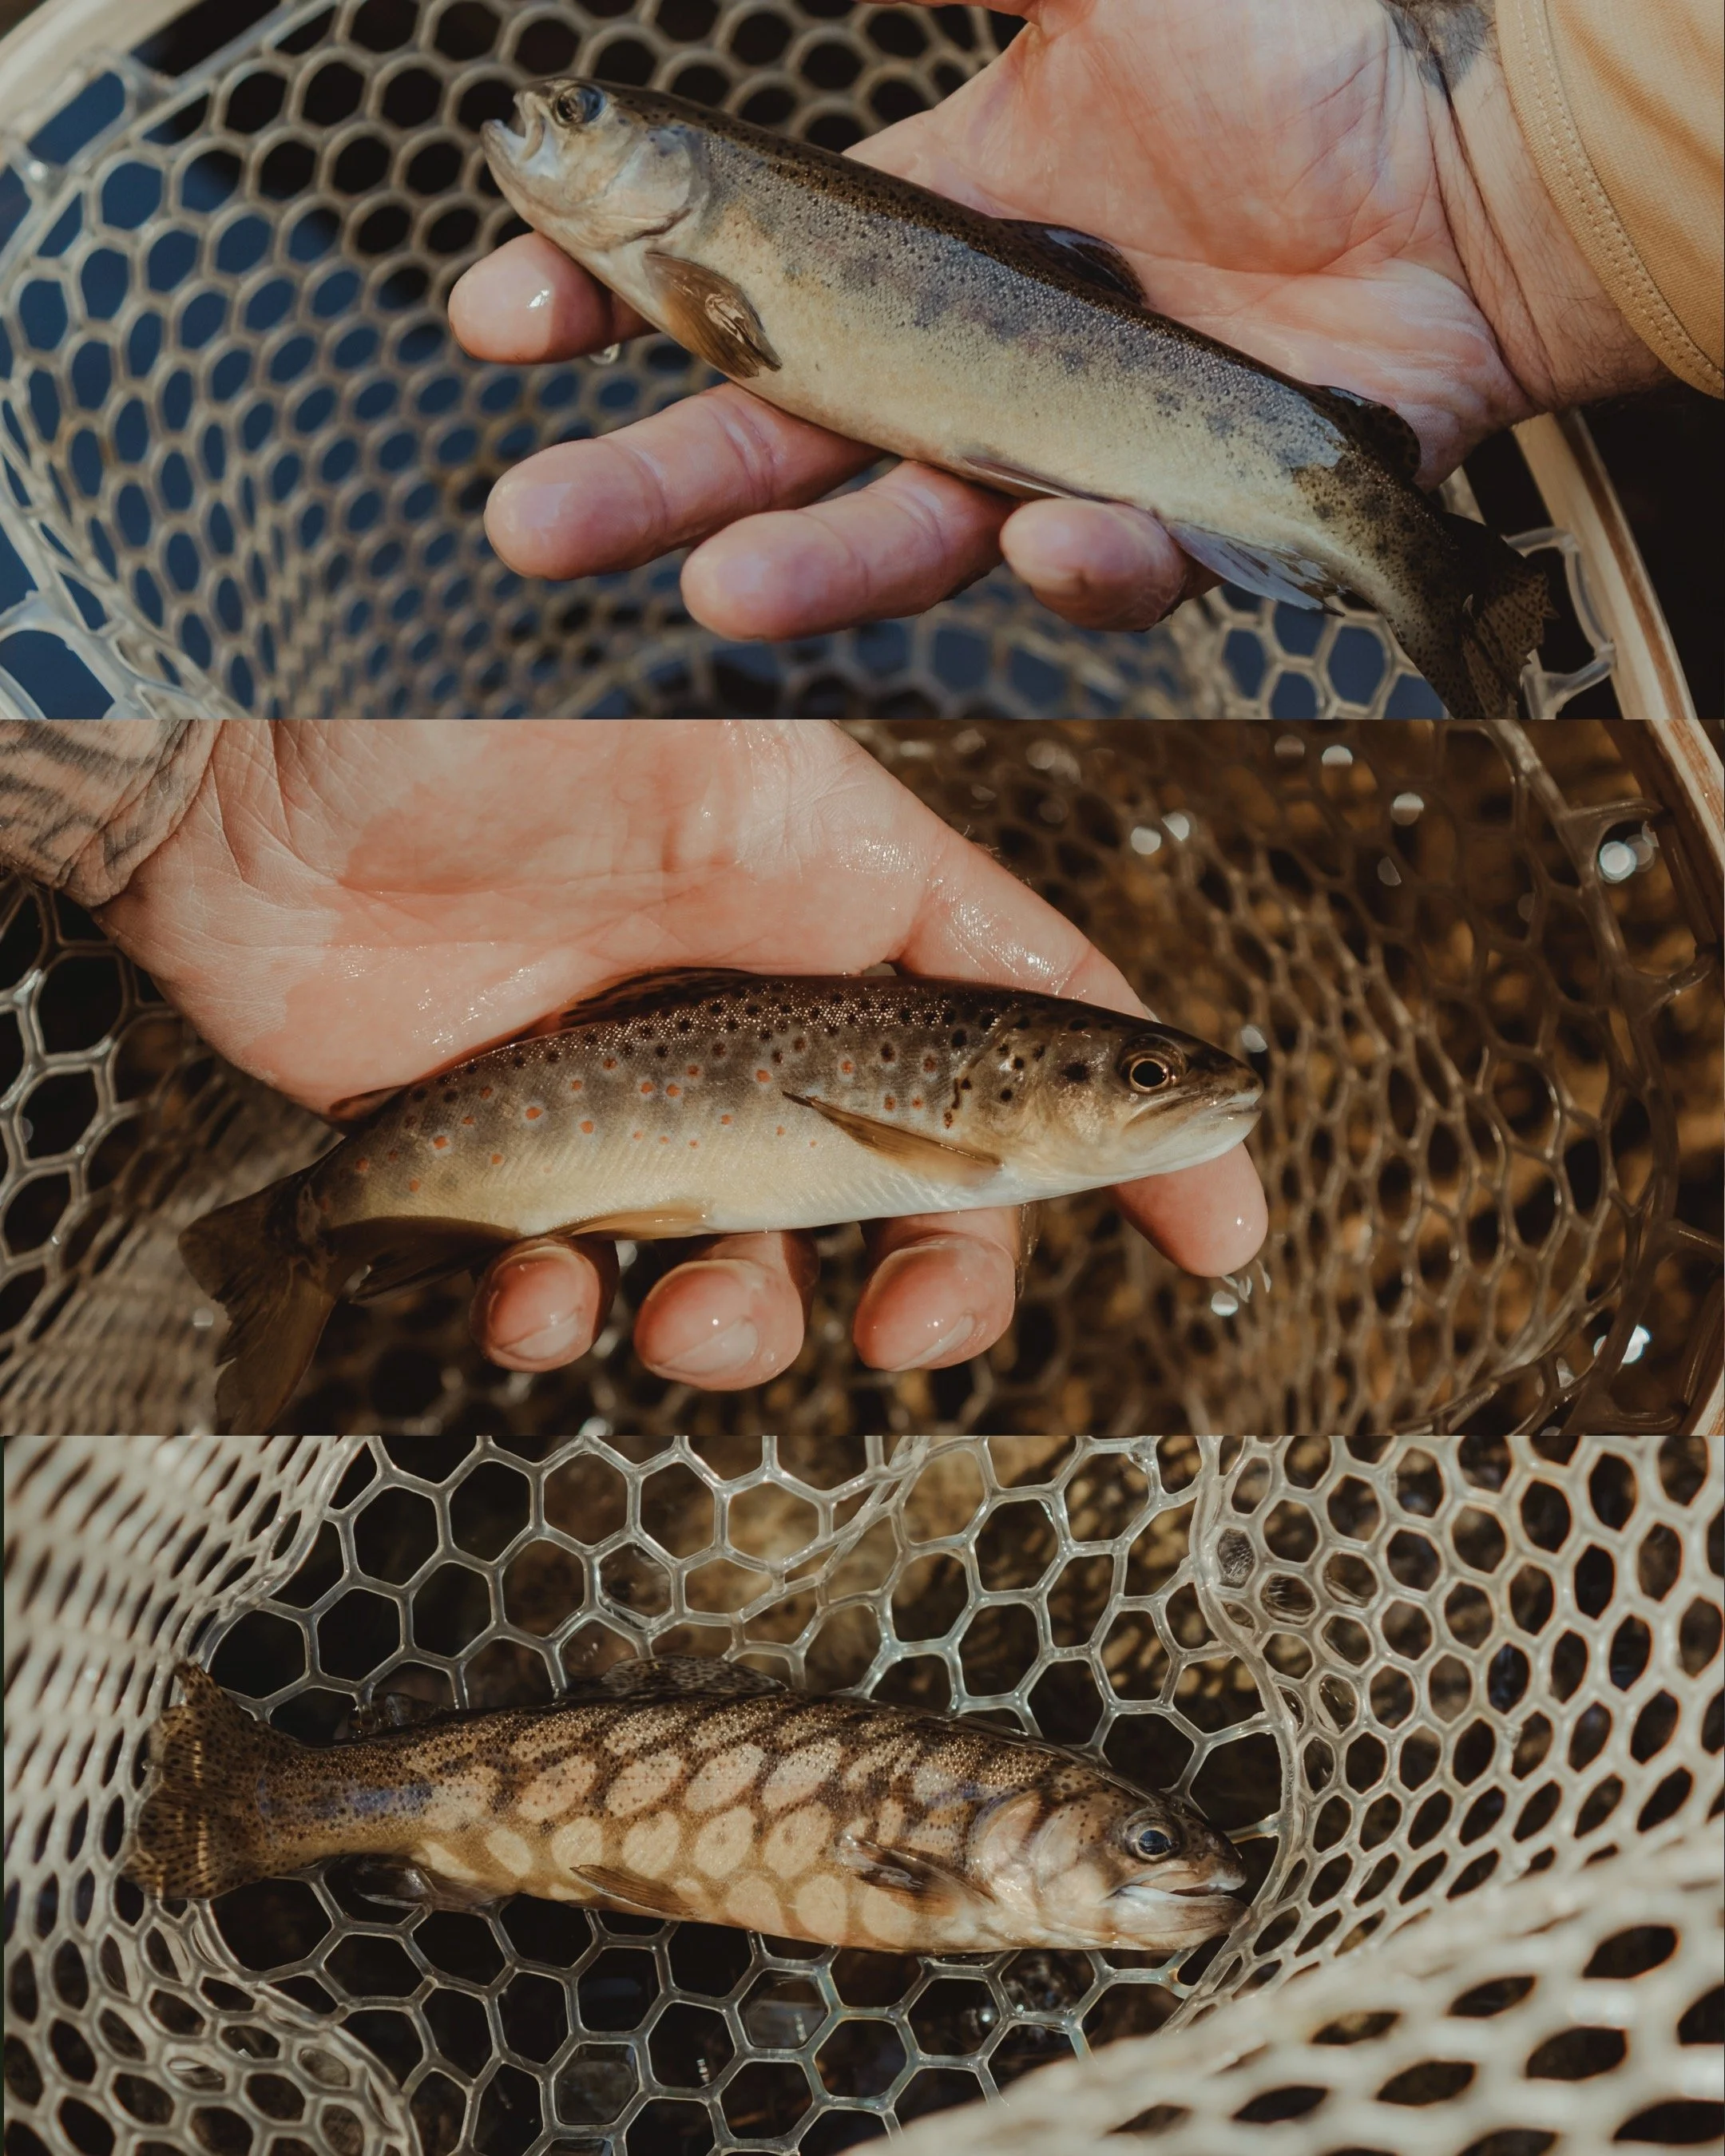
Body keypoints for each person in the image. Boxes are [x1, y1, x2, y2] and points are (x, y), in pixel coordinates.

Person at [0, 719, 1267, 1391]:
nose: (1192, 1091)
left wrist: (189, 780)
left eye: (1150, 1076)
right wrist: (202, 777)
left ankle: (295, 1239)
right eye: (1145, 1076)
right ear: (1009, 1083)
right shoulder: (963, 1142)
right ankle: (287, 1241)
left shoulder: (972, 1126)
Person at [449, 0, 1720, 639]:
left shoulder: (686, 260)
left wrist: (1502, 172)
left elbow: (735, 332)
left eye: (581, 116)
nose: (545, 119)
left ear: (683, 159)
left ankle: (1443, 585)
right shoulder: (679, 249)